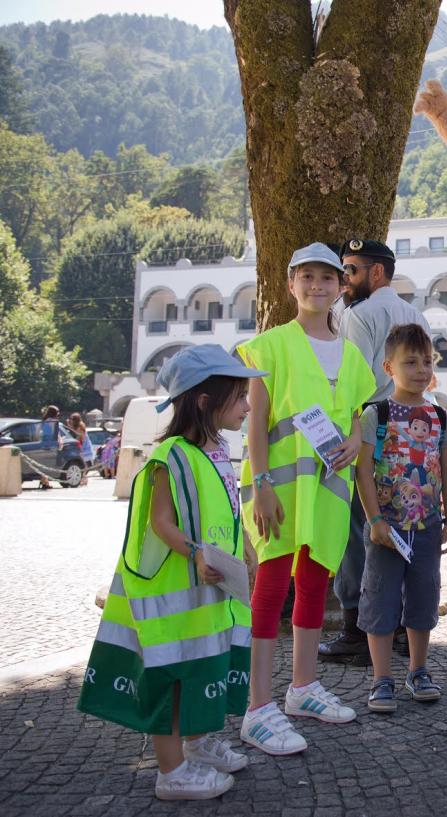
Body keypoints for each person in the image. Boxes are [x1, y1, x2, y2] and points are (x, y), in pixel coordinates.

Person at [77, 344, 265, 800]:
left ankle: (196, 745)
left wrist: (248, 553)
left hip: (208, 598)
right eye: (239, 396)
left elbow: (222, 512)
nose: (247, 405)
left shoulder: (217, 450)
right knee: (174, 681)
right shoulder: (171, 456)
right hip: (177, 600)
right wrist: (197, 551)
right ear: (204, 400)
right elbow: (161, 523)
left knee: (204, 672)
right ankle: (172, 771)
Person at [238, 243, 376, 756]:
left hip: (328, 495)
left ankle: (302, 688)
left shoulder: (352, 353)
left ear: (342, 286)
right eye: (307, 277)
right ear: (291, 283)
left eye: (327, 278)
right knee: (271, 589)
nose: (317, 286)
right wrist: (264, 486)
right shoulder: (269, 347)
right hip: (279, 492)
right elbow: (255, 421)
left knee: (316, 584)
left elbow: (360, 413)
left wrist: (358, 439)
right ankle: (257, 708)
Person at [321, 238, 430, 667]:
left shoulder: (359, 315)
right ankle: (402, 630)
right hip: (410, 426)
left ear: (377, 272)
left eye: (351, 270)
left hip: (368, 425)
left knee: (357, 530)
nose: (345, 280)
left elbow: (353, 383)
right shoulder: (414, 313)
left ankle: (356, 629)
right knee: (400, 524)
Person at [354, 324, 447, 712]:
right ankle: (382, 679)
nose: (420, 369)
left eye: (427, 361)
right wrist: (375, 519)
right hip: (385, 530)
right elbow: (363, 470)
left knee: (423, 598)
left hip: (428, 529)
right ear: (388, 367)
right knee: (380, 601)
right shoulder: (375, 415)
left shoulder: (440, 416)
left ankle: (419, 670)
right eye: (410, 362)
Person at [66, 412, 94, 485]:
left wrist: (69, 427)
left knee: (85, 464)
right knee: (84, 464)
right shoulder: (76, 426)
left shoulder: (80, 427)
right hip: (82, 446)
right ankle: (84, 478)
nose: (71, 420)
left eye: (72, 419)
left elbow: (80, 436)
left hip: (85, 447)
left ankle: (83, 478)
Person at [37, 405, 60, 489]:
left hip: (43, 443)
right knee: (49, 464)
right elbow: (56, 434)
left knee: (44, 463)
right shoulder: (54, 422)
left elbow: (38, 432)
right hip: (51, 444)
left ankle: (44, 481)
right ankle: (45, 481)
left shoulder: (44, 421)